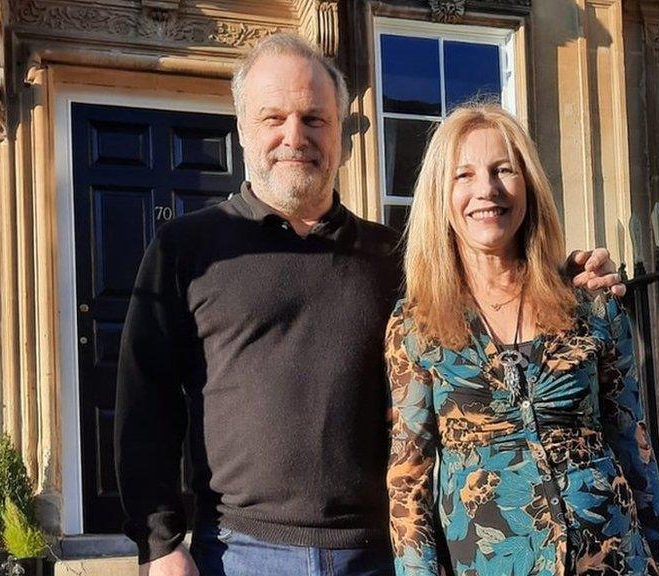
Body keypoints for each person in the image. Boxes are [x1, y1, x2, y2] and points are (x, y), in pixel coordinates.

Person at [115, 34, 627, 576]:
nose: (295, 136)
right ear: (243, 128)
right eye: (274, 118)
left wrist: (563, 279)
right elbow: (144, 404)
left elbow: (495, 276)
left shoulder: (396, 256)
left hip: (380, 552)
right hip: (242, 551)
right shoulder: (188, 250)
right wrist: (160, 544)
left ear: (343, 133)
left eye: (315, 119)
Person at [385, 104, 659, 575]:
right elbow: (408, 480)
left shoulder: (592, 306)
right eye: (464, 175)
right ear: (441, 196)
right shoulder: (416, 325)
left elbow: (633, 445)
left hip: (613, 558)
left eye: (504, 170)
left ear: (529, 185)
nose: (487, 190)